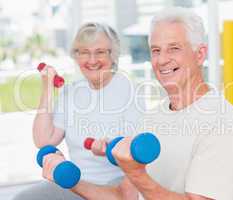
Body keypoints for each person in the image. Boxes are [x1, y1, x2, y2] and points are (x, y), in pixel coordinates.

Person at [40, 7, 233, 200]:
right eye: (156, 50)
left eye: (174, 48)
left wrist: (135, 172)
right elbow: (124, 196)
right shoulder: (153, 117)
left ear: (200, 54)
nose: (161, 60)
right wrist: (70, 181)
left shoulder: (224, 123)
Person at [13, 22, 144, 200]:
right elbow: (44, 140)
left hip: (115, 183)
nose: (91, 60)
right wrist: (47, 89)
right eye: (84, 52)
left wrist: (110, 149)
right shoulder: (70, 92)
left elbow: (137, 154)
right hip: (74, 181)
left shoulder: (131, 91)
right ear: (76, 56)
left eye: (99, 52)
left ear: (113, 55)